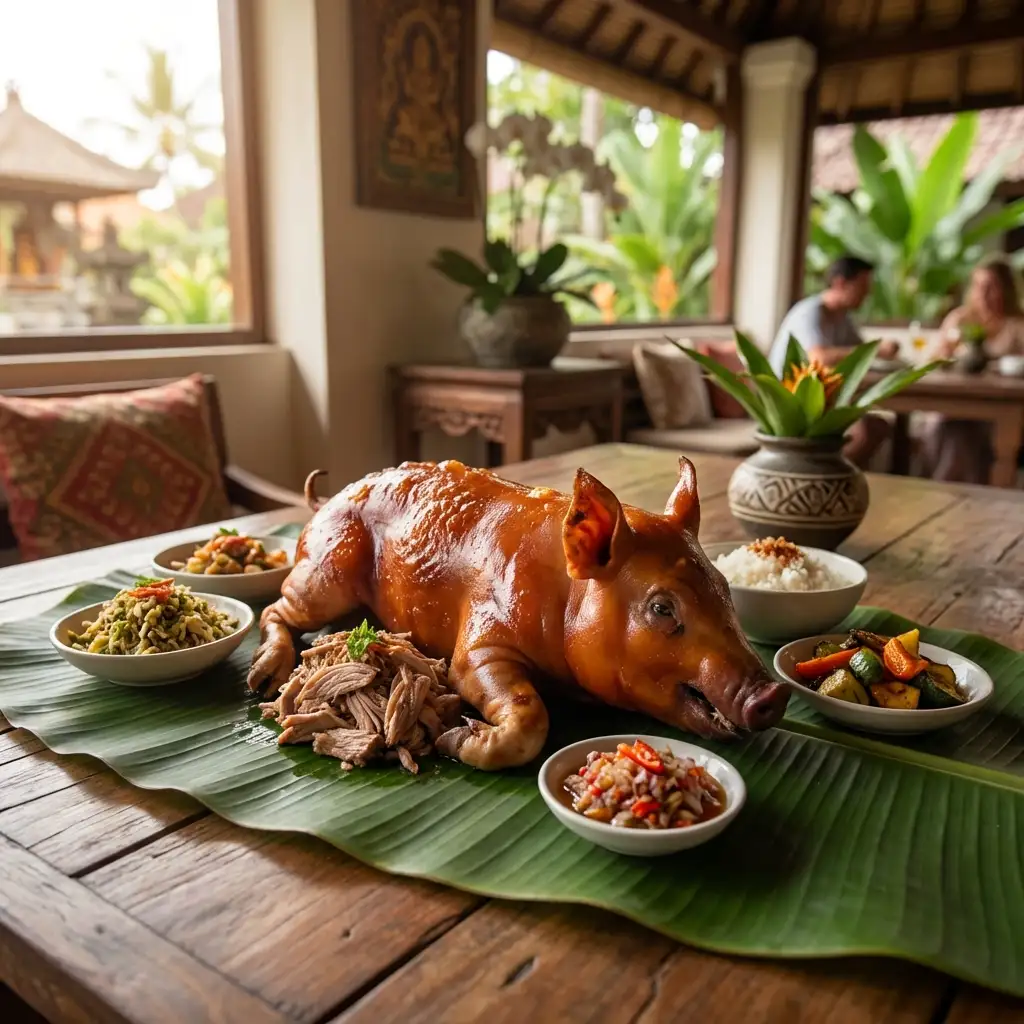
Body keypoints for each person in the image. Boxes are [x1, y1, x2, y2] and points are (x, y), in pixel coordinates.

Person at [768, 256, 899, 467]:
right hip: (790, 402)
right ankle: (819, 479)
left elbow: (860, 356)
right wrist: (874, 349)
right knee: (863, 431)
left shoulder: (843, 318)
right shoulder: (809, 313)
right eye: (863, 286)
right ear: (840, 283)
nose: (868, 293)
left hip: (824, 398)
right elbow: (818, 357)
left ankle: (837, 481)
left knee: (879, 427)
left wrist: (878, 351)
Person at [924, 259, 1024, 483]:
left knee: (972, 431)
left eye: (991, 287)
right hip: (954, 401)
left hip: (1001, 407)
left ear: (1007, 289)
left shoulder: (1017, 324)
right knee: (949, 426)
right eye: (978, 286)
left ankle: (949, 491)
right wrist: (948, 352)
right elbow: (933, 360)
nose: (983, 294)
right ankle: (950, 491)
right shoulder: (959, 319)